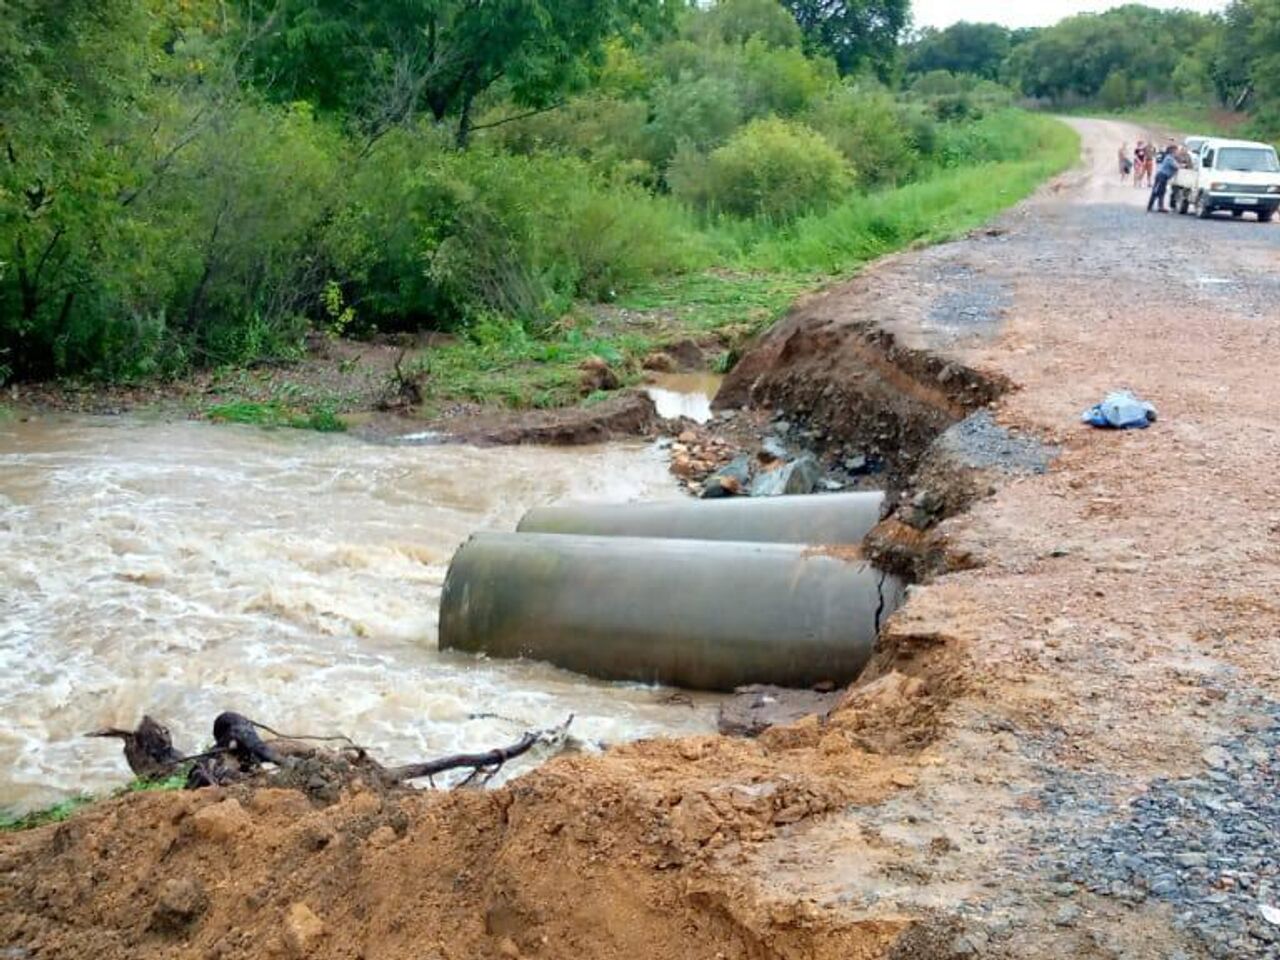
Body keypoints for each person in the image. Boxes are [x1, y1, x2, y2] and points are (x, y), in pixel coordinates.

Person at [1148, 143, 1180, 213]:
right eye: (1177, 151)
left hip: (1164, 177)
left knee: (1162, 192)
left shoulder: (1171, 158)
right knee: (1156, 191)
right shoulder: (1169, 158)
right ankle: (1150, 206)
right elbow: (1176, 166)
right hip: (1161, 176)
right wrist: (1181, 165)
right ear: (1173, 151)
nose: (1178, 152)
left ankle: (1160, 207)